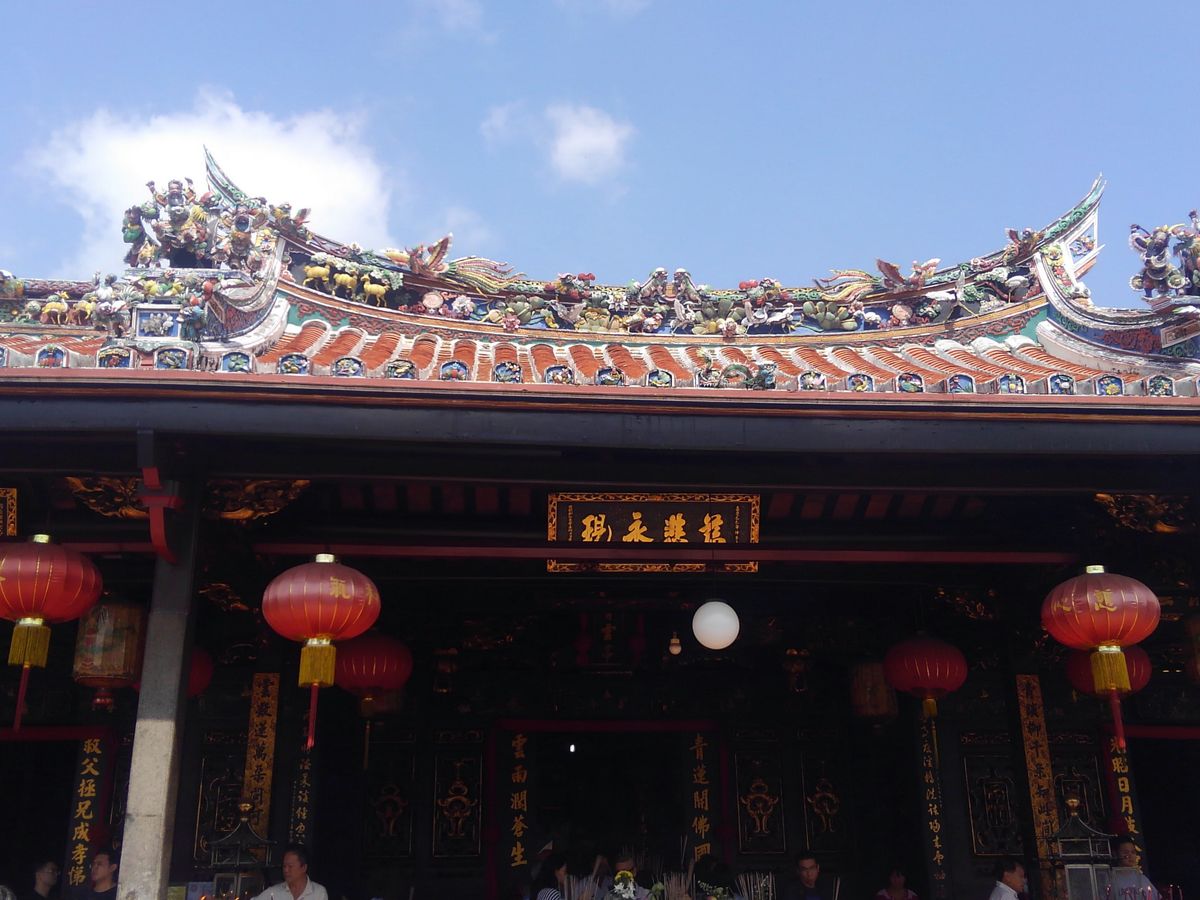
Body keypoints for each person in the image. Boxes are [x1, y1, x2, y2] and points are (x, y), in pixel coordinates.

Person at [251, 845, 327, 900]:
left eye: (290, 866)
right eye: (284, 866)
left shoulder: (319, 893)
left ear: (304, 867)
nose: (286, 870)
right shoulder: (273, 892)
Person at [1111, 836, 1160, 900]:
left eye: (1133, 852)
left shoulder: (1141, 878)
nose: (1130, 855)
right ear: (1115, 854)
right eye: (1126, 852)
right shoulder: (1110, 879)